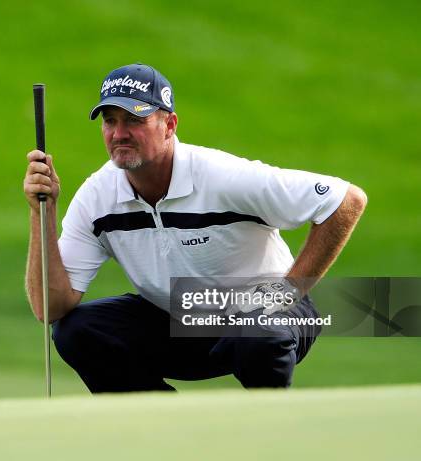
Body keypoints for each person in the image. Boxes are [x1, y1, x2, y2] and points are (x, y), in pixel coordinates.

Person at [23, 63, 367, 393]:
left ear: (170, 124)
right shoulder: (97, 196)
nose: (119, 133)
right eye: (110, 121)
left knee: (257, 335)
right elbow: (51, 308)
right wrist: (43, 213)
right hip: (180, 322)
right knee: (77, 330)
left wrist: (286, 292)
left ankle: (270, 435)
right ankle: (164, 434)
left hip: (268, 316)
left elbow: (346, 200)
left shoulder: (223, 177)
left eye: (134, 119)